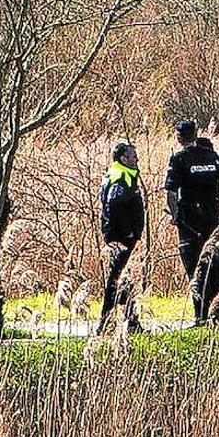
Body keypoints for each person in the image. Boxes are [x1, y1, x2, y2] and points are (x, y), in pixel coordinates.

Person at [164, 120, 219, 324]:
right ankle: (218, 312)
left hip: (189, 221)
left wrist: (175, 213)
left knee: (194, 267)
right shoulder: (212, 156)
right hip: (212, 217)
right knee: (215, 264)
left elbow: (170, 191)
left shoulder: (179, 159)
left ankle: (200, 316)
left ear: (179, 137)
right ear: (195, 135)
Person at [97, 141, 145, 334]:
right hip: (121, 237)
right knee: (115, 279)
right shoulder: (121, 176)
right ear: (124, 158)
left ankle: (131, 321)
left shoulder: (120, 173)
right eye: (133, 157)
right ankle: (105, 321)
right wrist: (127, 232)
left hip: (118, 236)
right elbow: (114, 204)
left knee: (122, 277)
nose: (137, 159)